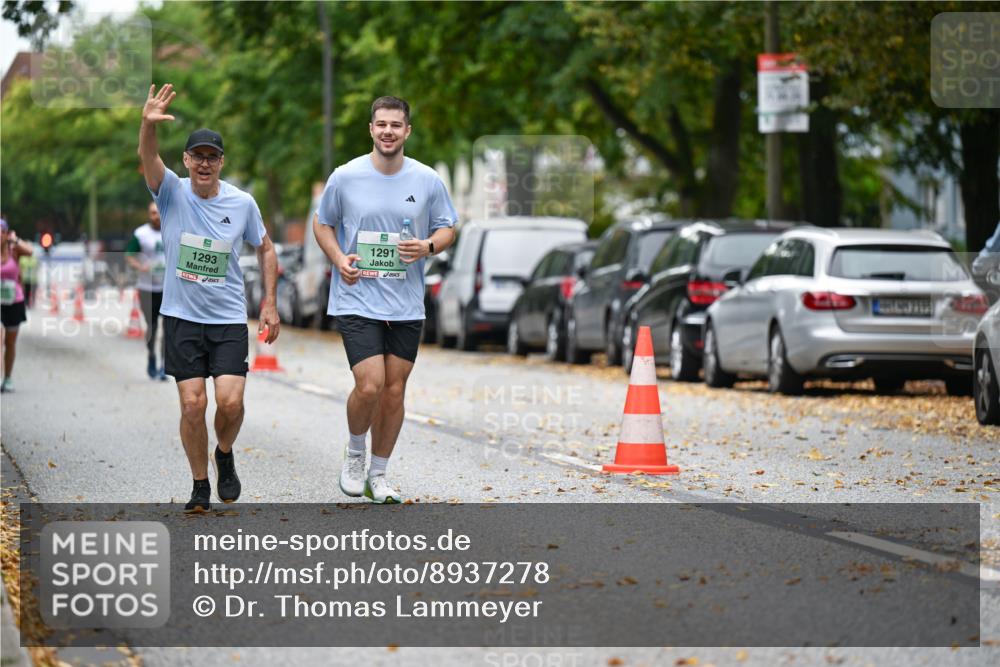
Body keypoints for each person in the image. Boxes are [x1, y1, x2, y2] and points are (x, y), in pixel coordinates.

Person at [138, 83, 280, 512]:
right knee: (192, 403)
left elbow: (267, 247)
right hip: (181, 317)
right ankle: (201, 484)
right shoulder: (171, 192)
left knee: (231, 403)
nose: (204, 163)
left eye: (211, 157)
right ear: (186, 160)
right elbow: (148, 158)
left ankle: (223, 452)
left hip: (228, 319)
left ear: (221, 162)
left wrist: (269, 302)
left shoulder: (242, 203)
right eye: (196, 156)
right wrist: (147, 124)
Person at [313, 96, 457, 504]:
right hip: (357, 297)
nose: (388, 131)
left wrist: (428, 246)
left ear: (407, 131)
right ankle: (355, 452)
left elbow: (449, 228)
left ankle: (379, 474)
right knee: (371, 384)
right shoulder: (346, 176)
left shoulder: (427, 179)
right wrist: (340, 258)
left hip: (406, 302)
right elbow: (322, 224)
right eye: (381, 124)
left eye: (396, 125)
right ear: (371, 129)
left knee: (394, 392)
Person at [125, 201, 168, 380]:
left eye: (158, 213)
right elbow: (129, 255)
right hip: (147, 289)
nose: (156, 216)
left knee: (169, 329)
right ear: (148, 215)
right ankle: (151, 356)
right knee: (152, 327)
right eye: (152, 213)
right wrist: (140, 266)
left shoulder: (172, 230)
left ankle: (165, 365)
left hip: (168, 288)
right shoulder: (141, 234)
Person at [1, 218, 34, 393]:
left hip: (14, 301)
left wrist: (15, 240)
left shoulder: (14, 250)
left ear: (6, 234)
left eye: (1, 231)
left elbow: (30, 251)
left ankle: (7, 378)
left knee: (10, 343)